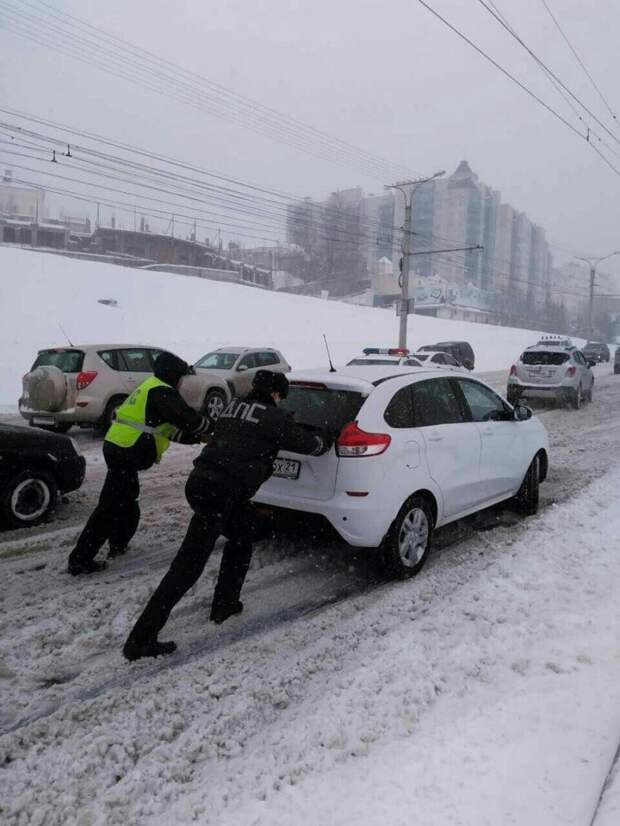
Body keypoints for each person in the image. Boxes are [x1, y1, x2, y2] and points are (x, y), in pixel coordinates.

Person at [123, 369, 330, 660]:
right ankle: (140, 640)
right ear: (275, 394)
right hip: (221, 493)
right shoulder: (275, 419)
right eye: (280, 396)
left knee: (242, 534)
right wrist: (326, 436)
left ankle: (225, 604)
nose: (280, 401)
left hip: (202, 484)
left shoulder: (233, 407)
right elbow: (312, 446)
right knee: (187, 567)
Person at [67, 352, 210, 576]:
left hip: (119, 447)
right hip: (126, 450)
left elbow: (167, 429)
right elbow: (189, 420)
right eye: (181, 377)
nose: (182, 382)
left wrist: (195, 439)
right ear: (173, 375)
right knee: (110, 506)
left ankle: (118, 543)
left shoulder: (151, 388)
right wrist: (212, 427)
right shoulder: (162, 391)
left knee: (128, 499)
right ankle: (80, 559)